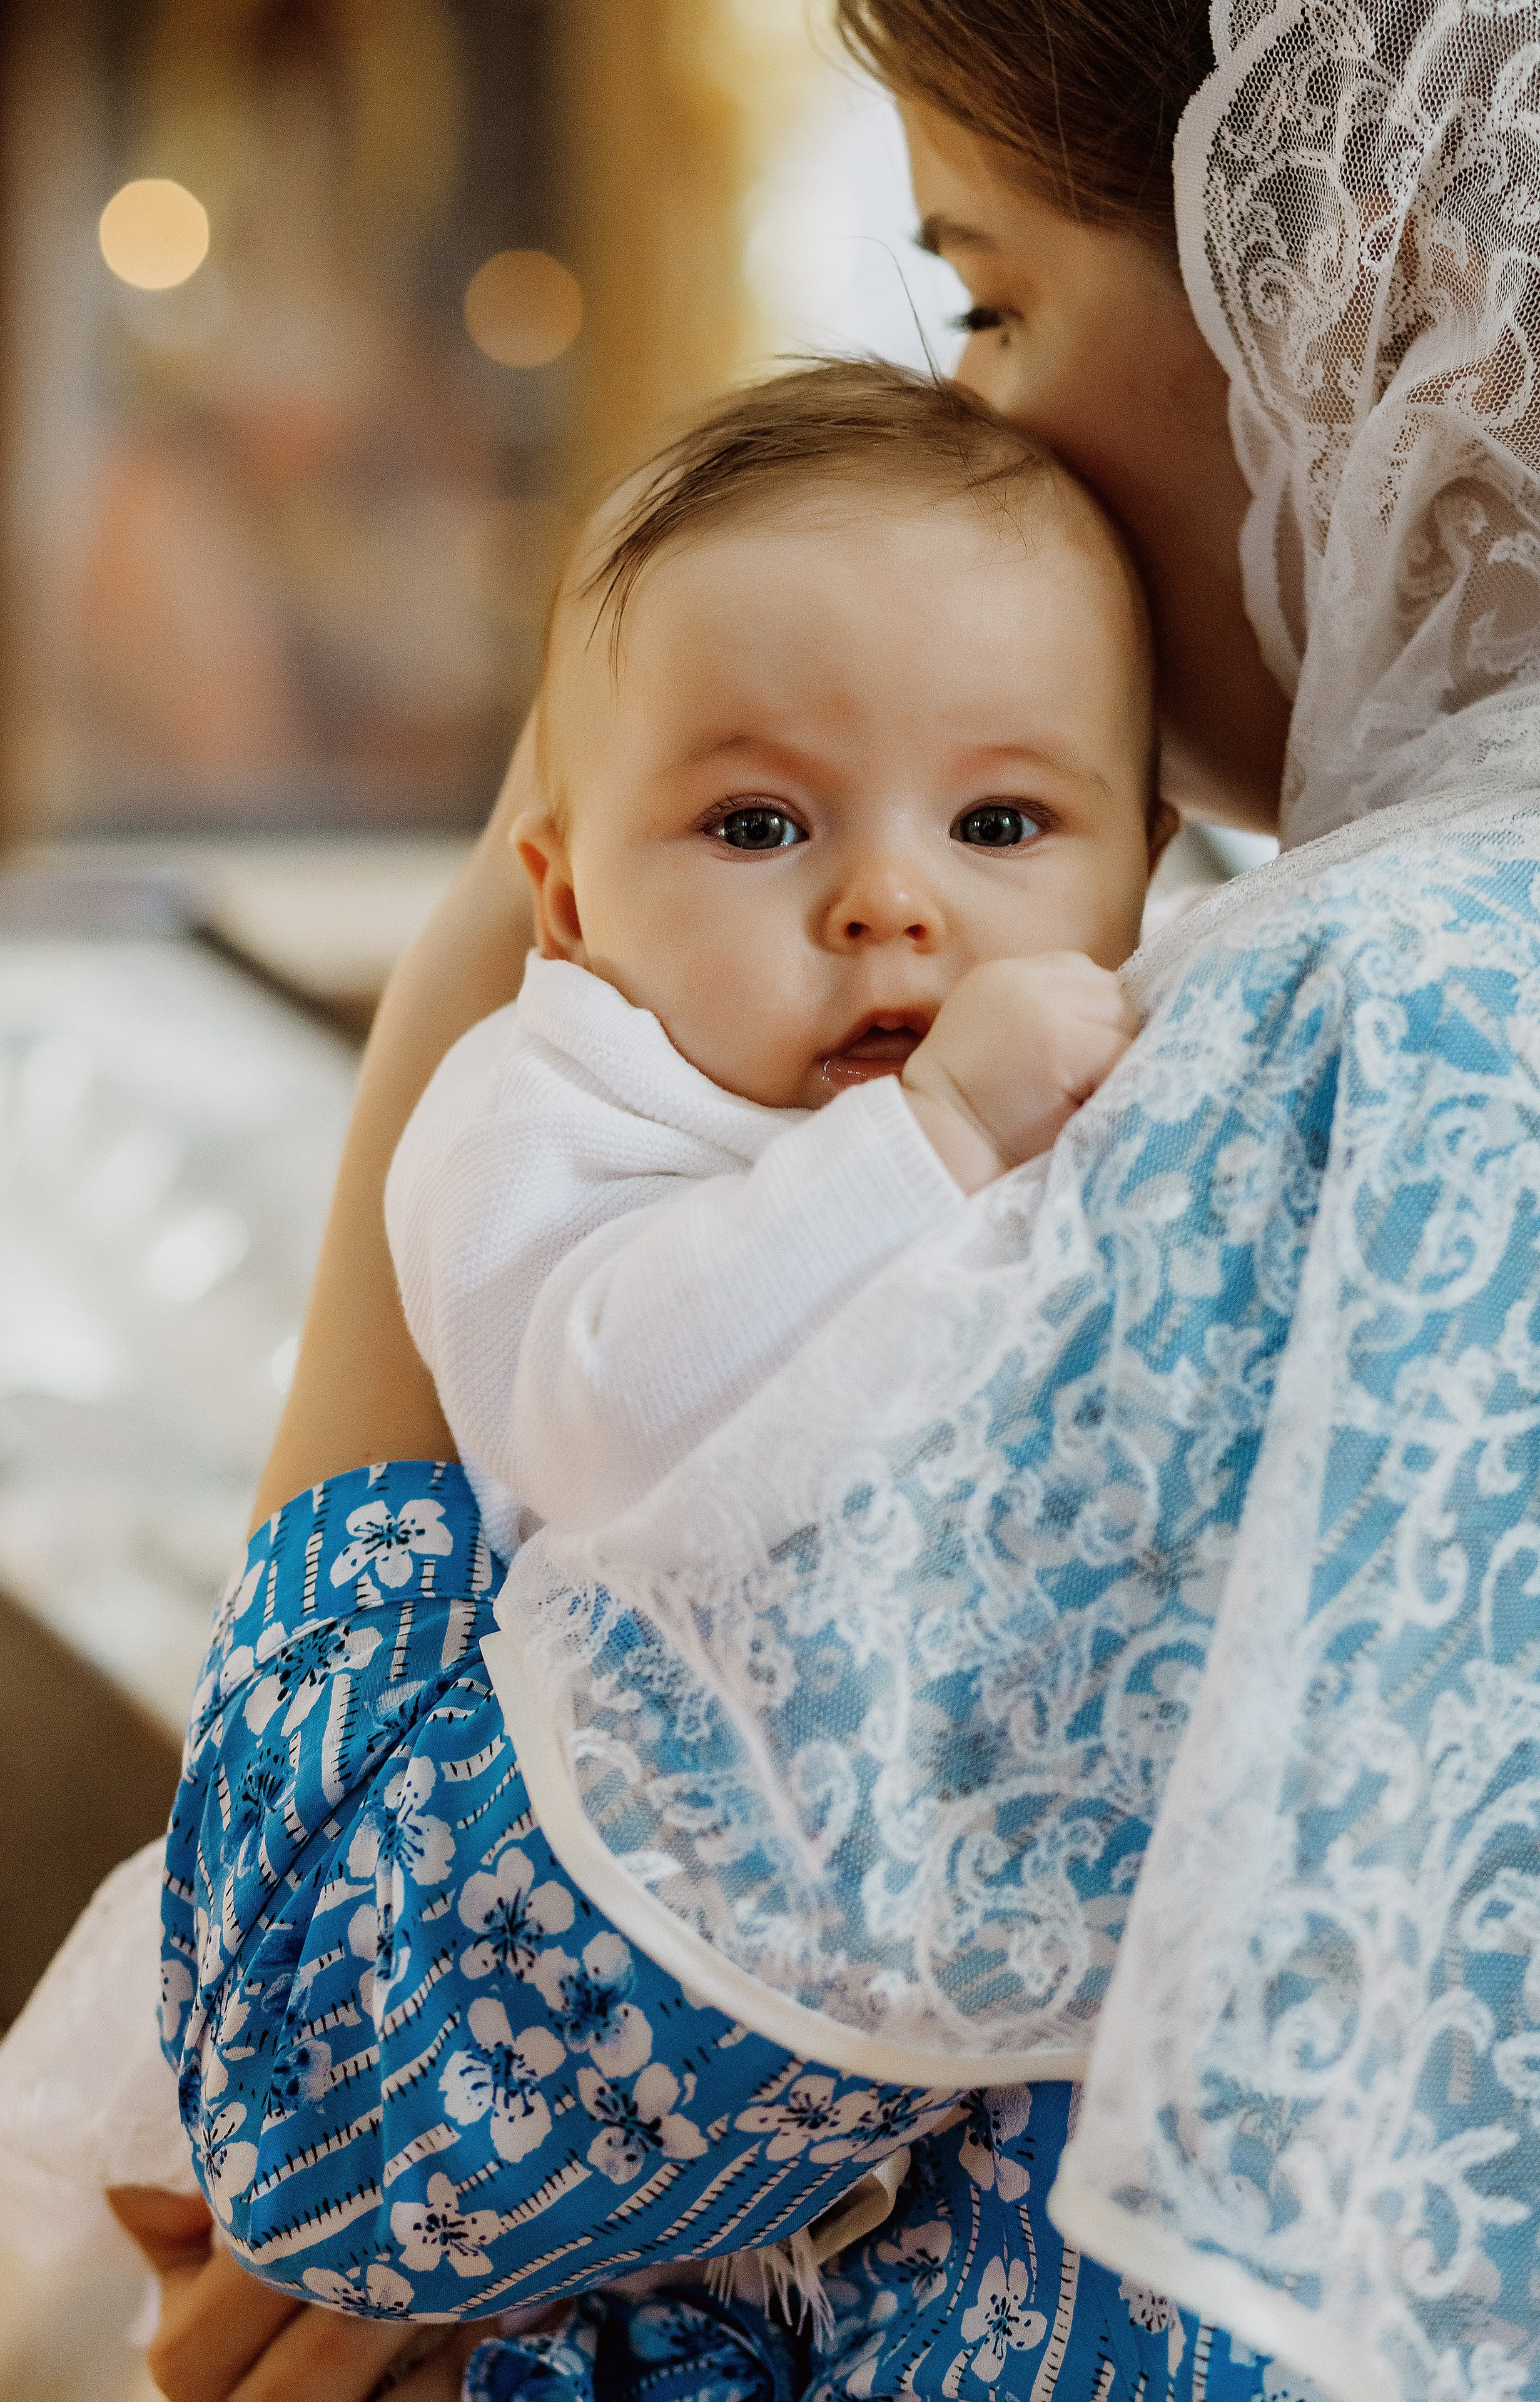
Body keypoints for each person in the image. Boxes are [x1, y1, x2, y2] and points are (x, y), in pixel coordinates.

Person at [107, 0, 1540, 2397]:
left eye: (988, 298)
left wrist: (484, 969)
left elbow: (335, 2084)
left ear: (1351, 273)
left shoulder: (1362, 1026)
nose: (975, 422)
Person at [387, 360, 1163, 1552]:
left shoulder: (1153, 1029)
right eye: (757, 827)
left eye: (998, 825)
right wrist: (944, 1133)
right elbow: (604, 1427)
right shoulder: (542, 1109)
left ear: (1148, 871)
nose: (888, 904)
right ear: (571, 903)